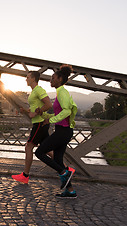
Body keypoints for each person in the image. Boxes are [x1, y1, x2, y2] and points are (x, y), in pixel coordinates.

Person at [34, 64, 78, 199]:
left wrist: (50, 121)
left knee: (39, 152)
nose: (50, 80)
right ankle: (70, 191)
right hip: (63, 130)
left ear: (60, 79)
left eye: (53, 78)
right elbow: (60, 114)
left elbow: (67, 111)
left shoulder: (62, 92)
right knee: (58, 159)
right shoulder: (60, 92)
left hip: (63, 131)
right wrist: (44, 115)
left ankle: (64, 172)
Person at [12, 71, 52, 184]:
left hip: (39, 123)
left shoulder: (39, 90)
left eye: (28, 77)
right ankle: (66, 169)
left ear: (34, 79)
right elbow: (36, 107)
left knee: (28, 147)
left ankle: (25, 175)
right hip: (40, 123)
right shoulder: (34, 92)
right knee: (47, 150)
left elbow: (49, 104)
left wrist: (36, 113)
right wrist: (26, 111)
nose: (26, 79)